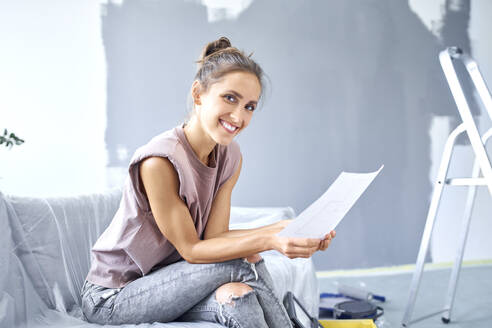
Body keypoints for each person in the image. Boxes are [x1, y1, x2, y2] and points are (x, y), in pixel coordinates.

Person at [80, 36, 336, 328]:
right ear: (198, 94)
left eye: (250, 106)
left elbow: (214, 238)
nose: (239, 116)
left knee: (240, 299)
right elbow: (191, 249)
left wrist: (285, 229)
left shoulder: (229, 156)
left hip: (172, 281)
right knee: (240, 261)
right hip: (113, 298)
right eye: (230, 98)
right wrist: (268, 240)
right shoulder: (159, 162)